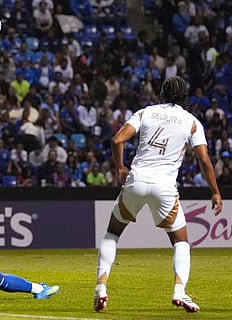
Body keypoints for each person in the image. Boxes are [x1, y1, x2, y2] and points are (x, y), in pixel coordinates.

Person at [93, 76, 223, 313]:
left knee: (112, 232)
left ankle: (101, 288)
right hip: (164, 186)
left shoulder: (146, 113)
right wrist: (215, 191)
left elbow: (117, 139)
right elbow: (204, 160)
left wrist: (121, 168)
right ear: (185, 96)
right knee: (181, 241)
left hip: (137, 180)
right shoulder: (191, 122)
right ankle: (179, 291)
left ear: (162, 93)